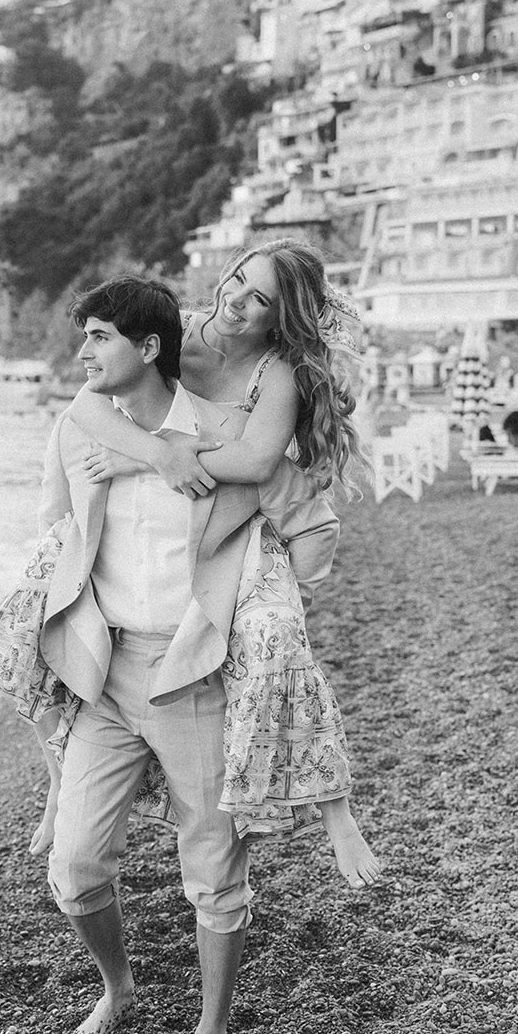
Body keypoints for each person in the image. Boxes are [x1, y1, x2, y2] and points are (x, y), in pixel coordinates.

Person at [29, 277, 341, 1034]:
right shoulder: (81, 426)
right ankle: (118, 987)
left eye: (98, 337)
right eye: (84, 337)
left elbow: (311, 529)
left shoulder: (220, 437)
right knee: (75, 867)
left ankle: (208, 1033)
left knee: (212, 869)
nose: (84, 354)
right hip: (104, 672)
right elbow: (56, 525)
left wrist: (269, 590)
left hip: (192, 674)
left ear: (148, 347)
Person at [61, 239, 380, 887]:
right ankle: (58, 799)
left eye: (257, 297)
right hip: (192, 513)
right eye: (237, 279)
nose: (234, 299)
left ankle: (336, 812)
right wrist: (156, 456)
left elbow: (258, 464)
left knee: (273, 638)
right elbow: (89, 402)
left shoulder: (276, 374)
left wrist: (152, 458)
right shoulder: (178, 333)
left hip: (265, 523)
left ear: (278, 315)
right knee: (44, 604)